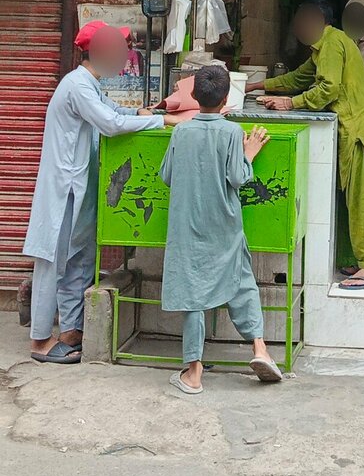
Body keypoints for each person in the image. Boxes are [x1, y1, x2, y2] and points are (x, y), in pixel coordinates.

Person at [22, 21, 178, 365]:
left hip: (79, 187)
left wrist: (142, 111)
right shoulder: (77, 86)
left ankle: (70, 331)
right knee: (52, 262)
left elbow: (114, 112)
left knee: (78, 259)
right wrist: (160, 122)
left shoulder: (91, 86)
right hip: (64, 189)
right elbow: (110, 124)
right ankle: (40, 341)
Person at [248, 0, 364, 290]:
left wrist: (290, 103)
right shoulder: (325, 47)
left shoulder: (332, 43)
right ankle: (361, 260)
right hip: (355, 127)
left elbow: (328, 88)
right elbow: (299, 77)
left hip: (359, 130)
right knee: (353, 201)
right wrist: (257, 85)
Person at [159, 65, 281, 394]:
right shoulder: (231, 133)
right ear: (227, 99)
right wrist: (249, 154)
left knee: (193, 295)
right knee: (241, 281)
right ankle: (260, 349)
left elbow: (167, 175)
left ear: (194, 96)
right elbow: (238, 178)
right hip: (224, 224)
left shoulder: (181, 132)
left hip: (188, 226)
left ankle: (194, 372)